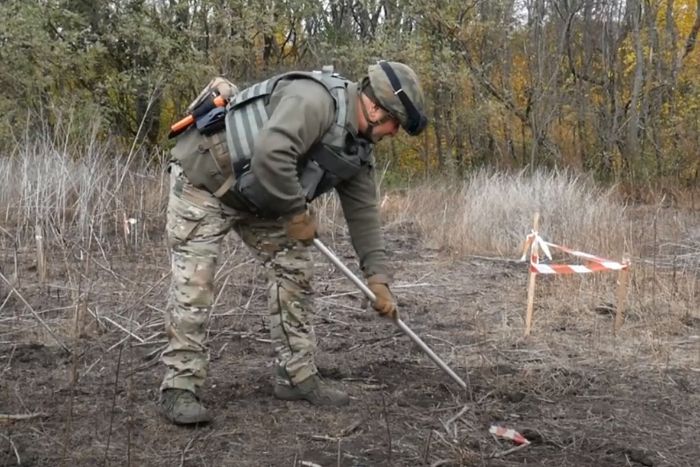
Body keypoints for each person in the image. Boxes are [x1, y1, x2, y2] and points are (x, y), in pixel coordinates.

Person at [159, 61, 427, 425]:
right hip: (205, 182)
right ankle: (179, 386)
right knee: (195, 285)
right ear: (375, 107)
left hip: (261, 195)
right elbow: (272, 153)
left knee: (295, 270)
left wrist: (377, 277)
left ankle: (296, 376)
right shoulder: (314, 101)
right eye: (395, 122)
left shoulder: (358, 147)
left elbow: (363, 212)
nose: (394, 132)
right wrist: (296, 213)